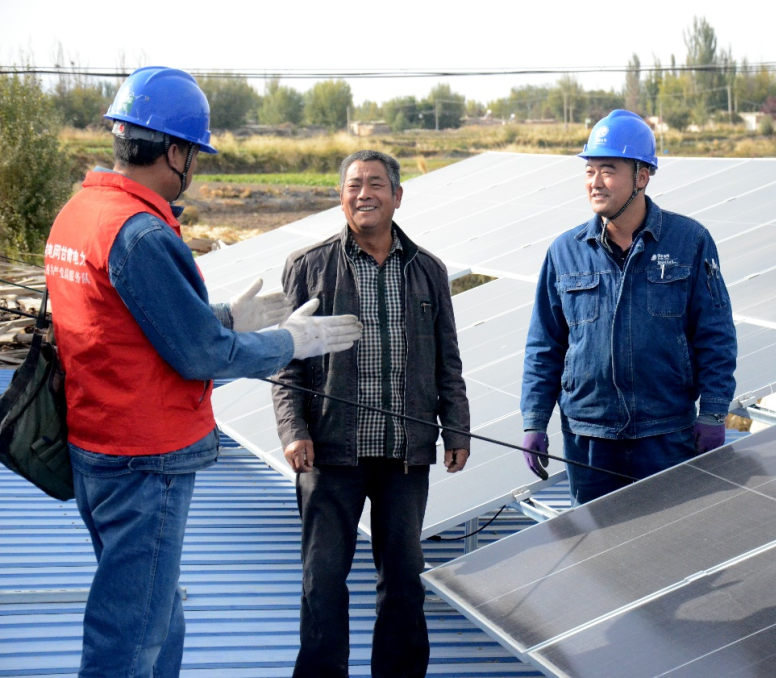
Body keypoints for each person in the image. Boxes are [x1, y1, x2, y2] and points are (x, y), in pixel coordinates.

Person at [44, 66, 362, 678]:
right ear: (174, 152)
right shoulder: (138, 233)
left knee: (156, 617)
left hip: (96, 444)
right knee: (130, 639)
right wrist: (289, 343)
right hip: (144, 459)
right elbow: (201, 356)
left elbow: (122, 324)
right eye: (194, 152)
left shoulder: (81, 213)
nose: (194, 166)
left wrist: (223, 318)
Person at [271, 150, 471, 678]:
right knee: (322, 580)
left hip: (404, 453)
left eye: (377, 184)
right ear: (341, 197)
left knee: (403, 580)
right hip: (328, 452)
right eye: (354, 184)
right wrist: (293, 430)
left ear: (397, 196)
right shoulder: (308, 266)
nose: (365, 193)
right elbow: (288, 360)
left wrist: (456, 428)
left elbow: (447, 358)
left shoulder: (427, 270)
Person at [519, 109, 737, 504]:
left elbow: (715, 335)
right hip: (589, 438)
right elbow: (544, 346)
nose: (595, 182)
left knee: (670, 535)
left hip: (665, 433)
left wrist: (714, 411)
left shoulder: (689, 241)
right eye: (589, 171)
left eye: (608, 170)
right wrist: (534, 420)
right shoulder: (564, 252)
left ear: (642, 176)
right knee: (599, 540)